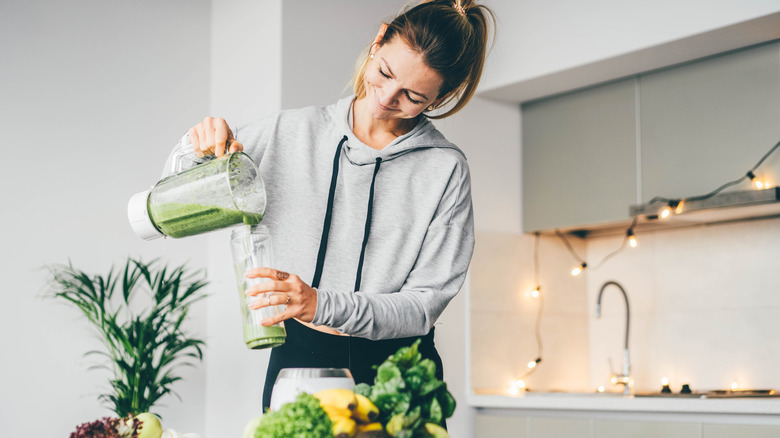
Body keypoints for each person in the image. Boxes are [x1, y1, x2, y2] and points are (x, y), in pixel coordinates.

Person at [181, 0, 494, 411]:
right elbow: (180, 193)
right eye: (384, 73)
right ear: (378, 40)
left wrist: (319, 303)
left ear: (442, 96)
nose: (385, 99)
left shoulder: (444, 169)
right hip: (300, 360)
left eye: (413, 96)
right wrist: (198, 147)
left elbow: (423, 306)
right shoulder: (288, 133)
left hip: (401, 369)